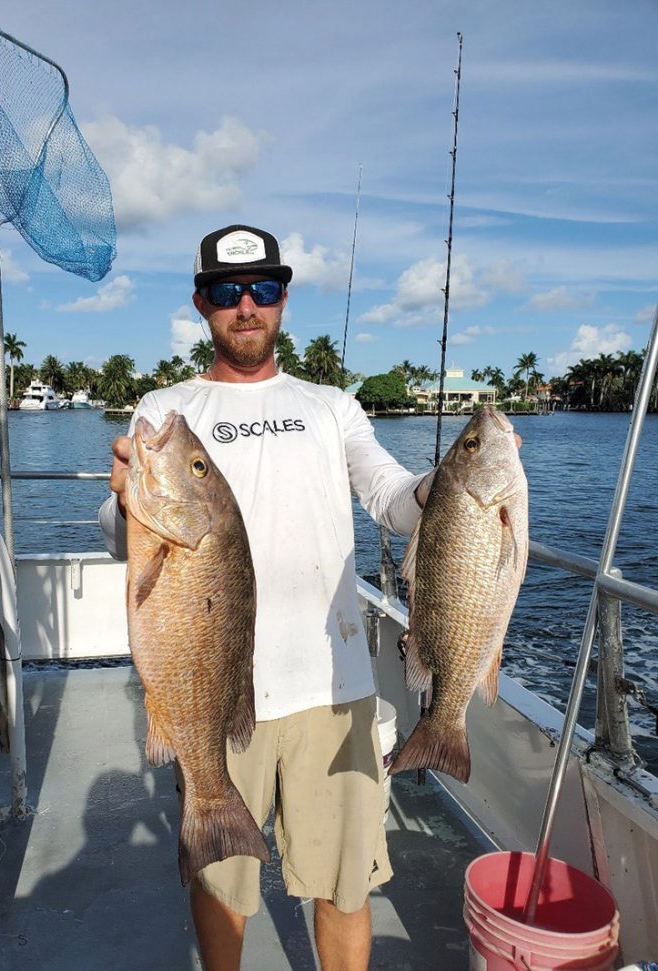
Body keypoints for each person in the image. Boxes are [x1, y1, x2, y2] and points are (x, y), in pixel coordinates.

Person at [99, 224, 432, 971]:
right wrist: (122, 499)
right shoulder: (166, 410)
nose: (245, 306)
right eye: (226, 291)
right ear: (201, 303)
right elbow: (123, 540)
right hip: (214, 694)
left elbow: (391, 497)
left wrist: (441, 490)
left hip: (333, 685)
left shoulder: (330, 406)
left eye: (263, 289)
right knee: (221, 884)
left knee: (346, 886)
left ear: (283, 297)